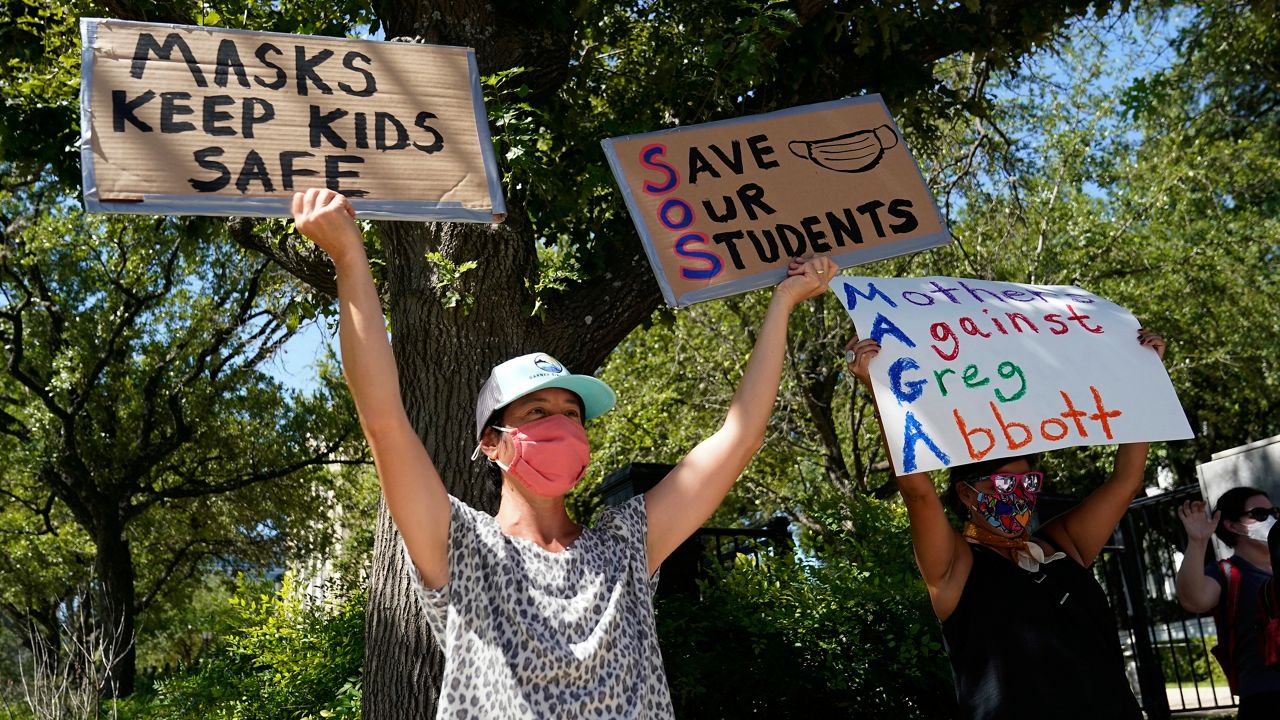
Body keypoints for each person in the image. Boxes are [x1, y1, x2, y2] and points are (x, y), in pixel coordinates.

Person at [291, 187, 834, 719]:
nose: (560, 426)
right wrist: (348, 255)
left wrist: (783, 301)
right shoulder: (460, 547)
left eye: (571, 414)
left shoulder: (627, 545)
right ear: (491, 442)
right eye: (536, 413)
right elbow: (385, 421)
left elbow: (740, 438)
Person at [846, 328, 1166, 720]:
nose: (1018, 495)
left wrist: (1146, 379)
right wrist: (879, 390)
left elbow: (1126, 481)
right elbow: (918, 493)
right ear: (965, 494)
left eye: (1027, 482)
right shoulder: (956, 567)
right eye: (1003, 483)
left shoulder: (1064, 544)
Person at [1175, 488, 1280, 717]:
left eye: (1274, 512)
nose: (1271, 519)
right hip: (1267, 699)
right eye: (1259, 513)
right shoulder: (1226, 572)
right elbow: (1194, 600)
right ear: (1231, 525)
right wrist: (1197, 542)